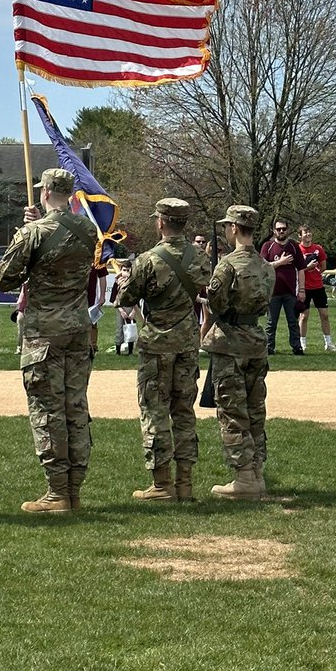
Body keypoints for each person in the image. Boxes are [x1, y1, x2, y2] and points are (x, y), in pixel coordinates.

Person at [0, 167, 97, 514]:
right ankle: (75, 491)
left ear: (45, 191)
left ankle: (57, 493)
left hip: (44, 334)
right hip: (77, 330)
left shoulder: (33, 234)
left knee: (48, 412)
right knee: (75, 409)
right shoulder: (87, 230)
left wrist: (24, 234)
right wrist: (34, 228)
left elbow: (4, 279)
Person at [114, 198, 209, 502]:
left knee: (155, 410)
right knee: (184, 411)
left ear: (161, 222)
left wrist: (123, 282)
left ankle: (161, 483)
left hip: (156, 344)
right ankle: (185, 483)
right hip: (188, 343)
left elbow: (126, 300)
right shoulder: (200, 258)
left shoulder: (148, 259)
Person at [202, 205, 275, 498]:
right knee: (255, 410)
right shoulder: (266, 266)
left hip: (230, 341)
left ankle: (243, 478)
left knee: (232, 411)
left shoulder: (227, 265)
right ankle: (256, 473)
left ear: (233, 228)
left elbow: (217, 303)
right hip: (256, 341)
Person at [260, 216, 306, 354]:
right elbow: (262, 266)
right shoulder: (268, 246)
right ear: (274, 230)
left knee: (293, 321)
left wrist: (302, 290)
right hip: (272, 291)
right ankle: (269, 347)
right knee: (271, 323)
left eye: (284, 229)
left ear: (288, 230)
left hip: (290, 291)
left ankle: (296, 347)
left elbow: (301, 269)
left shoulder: (293, 246)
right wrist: (279, 262)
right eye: (278, 229)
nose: (281, 231)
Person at [297, 225, 335, 351]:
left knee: (324, 315)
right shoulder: (297, 249)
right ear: (300, 235)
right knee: (304, 316)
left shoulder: (318, 249)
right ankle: (302, 343)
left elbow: (323, 266)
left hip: (318, 286)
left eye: (309, 232)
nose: (308, 234)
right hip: (304, 287)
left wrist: (315, 269)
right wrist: (308, 267)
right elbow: (297, 269)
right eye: (305, 232)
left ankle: (328, 343)